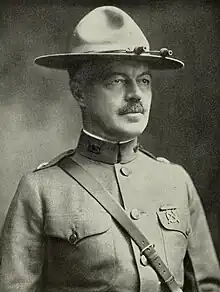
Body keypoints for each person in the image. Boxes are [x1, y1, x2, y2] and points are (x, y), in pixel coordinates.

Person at [0, 5, 219, 292]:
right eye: (117, 81)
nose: (135, 94)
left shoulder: (177, 182)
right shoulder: (40, 191)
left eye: (144, 80)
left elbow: (207, 286)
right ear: (79, 92)